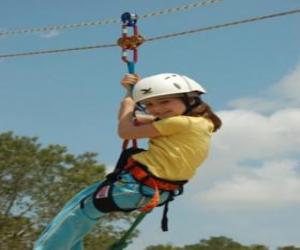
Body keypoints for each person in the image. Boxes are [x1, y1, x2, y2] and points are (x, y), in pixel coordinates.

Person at [34, 73, 222, 250]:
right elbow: (132, 120)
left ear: (190, 99)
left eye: (165, 101)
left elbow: (125, 131)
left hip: (133, 187)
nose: (157, 108)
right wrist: (130, 93)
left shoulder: (178, 123)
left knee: (76, 213)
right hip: (150, 190)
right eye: (149, 104)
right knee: (78, 210)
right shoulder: (202, 123)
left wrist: (128, 102)